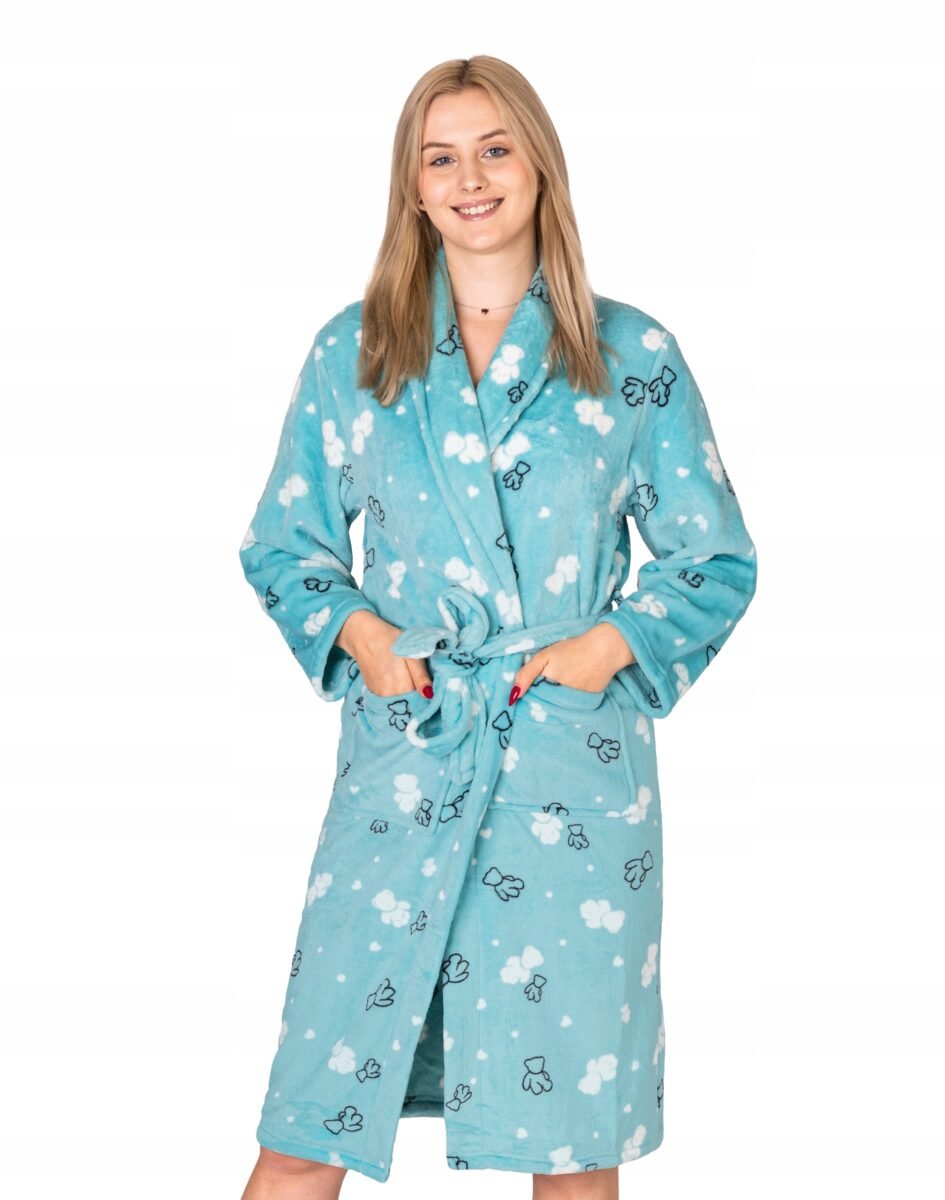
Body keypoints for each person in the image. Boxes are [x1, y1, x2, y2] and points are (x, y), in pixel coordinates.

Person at [238, 55, 757, 1200]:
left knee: (569, 1149)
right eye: (441, 158)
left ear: (539, 167)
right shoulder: (356, 351)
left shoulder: (631, 355)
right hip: (406, 768)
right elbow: (285, 546)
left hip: (568, 783)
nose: (470, 178)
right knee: (309, 1127)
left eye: (493, 149)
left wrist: (605, 647)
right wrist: (365, 638)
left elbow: (712, 558)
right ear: (413, 188)